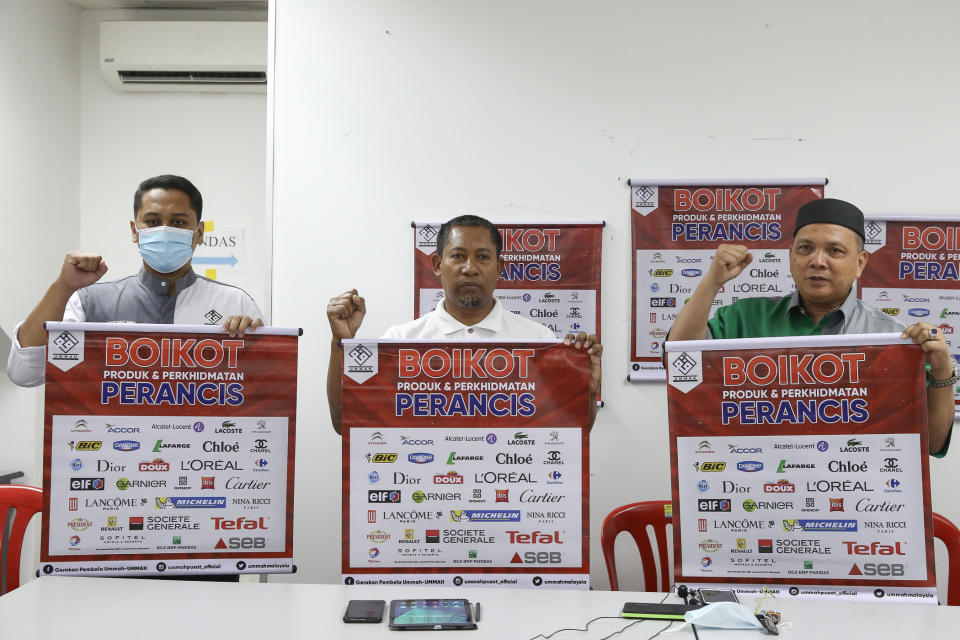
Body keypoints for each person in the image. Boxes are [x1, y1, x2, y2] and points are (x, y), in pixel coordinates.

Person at [669, 198, 955, 456]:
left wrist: (943, 370)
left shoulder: (891, 337)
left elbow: (931, 443)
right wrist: (712, 281)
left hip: (857, 493)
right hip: (755, 489)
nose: (817, 261)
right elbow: (679, 362)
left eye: (835, 251)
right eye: (805, 248)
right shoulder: (745, 317)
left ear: (860, 263)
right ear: (791, 256)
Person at [326, 214, 602, 434]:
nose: (470, 267)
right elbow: (345, 424)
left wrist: (586, 394)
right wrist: (340, 343)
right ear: (436, 264)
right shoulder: (398, 341)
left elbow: (571, 433)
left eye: (483, 257)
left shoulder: (540, 341)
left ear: (500, 267)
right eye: (458, 256)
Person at [7, 174, 263, 387]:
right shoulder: (90, 303)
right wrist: (63, 287)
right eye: (152, 221)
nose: (164, 230)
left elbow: (264, 385)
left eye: (178, 222)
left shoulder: (234, 303)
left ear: (199, 233)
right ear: (134, 231)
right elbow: (25, 373)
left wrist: (252, 344)